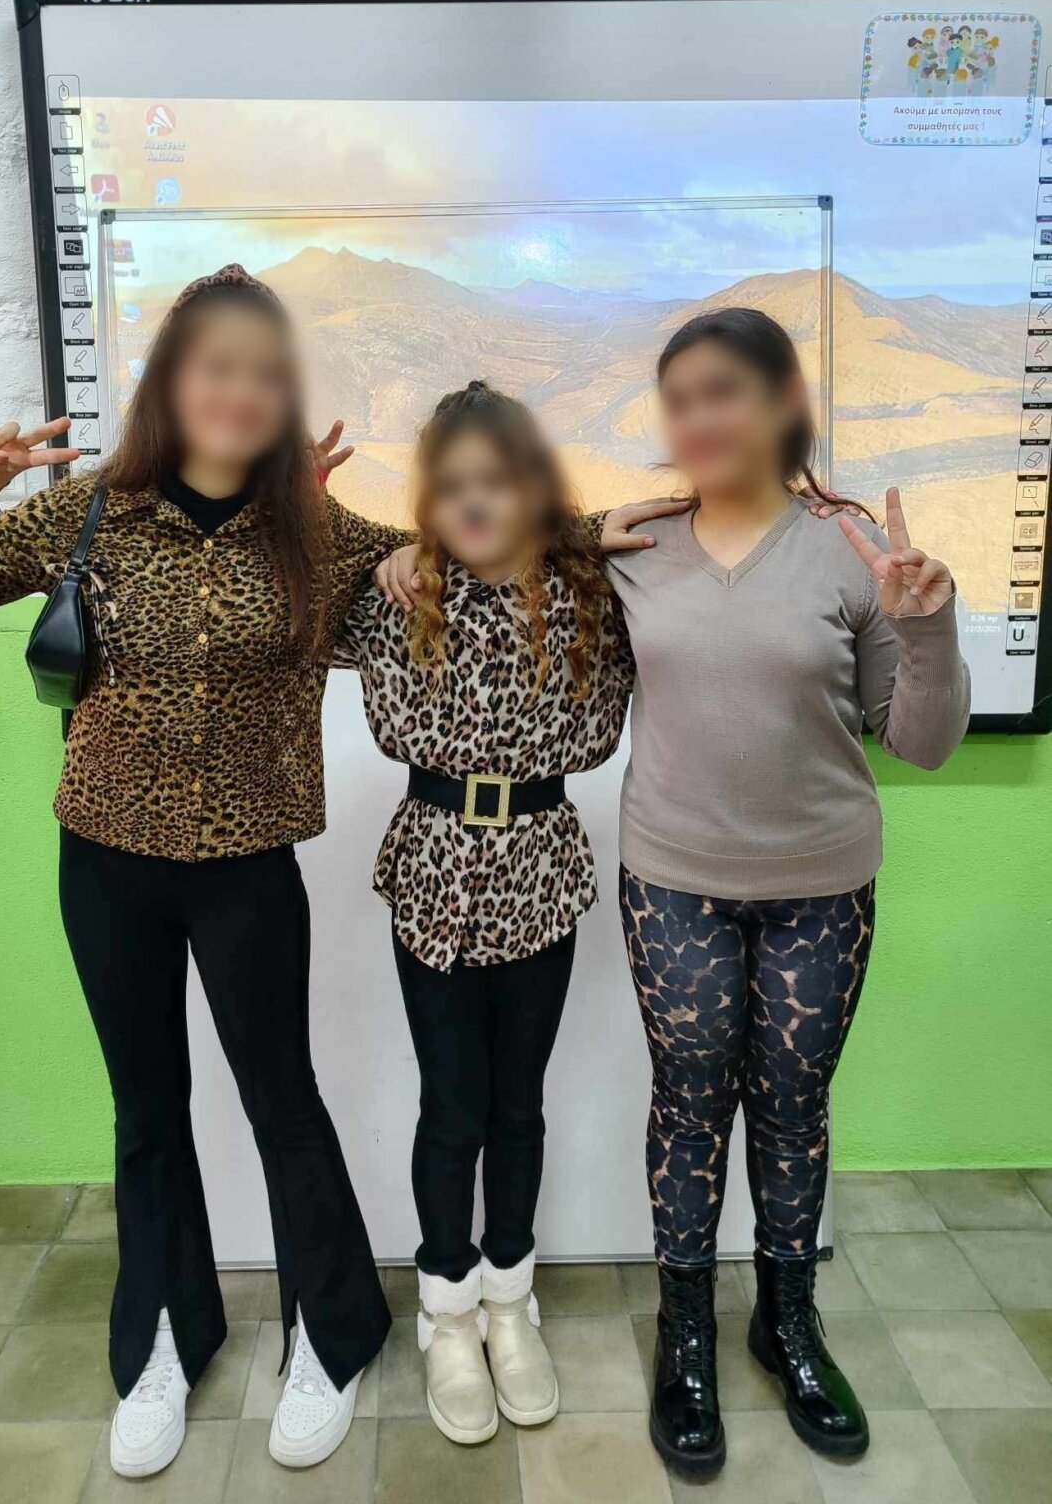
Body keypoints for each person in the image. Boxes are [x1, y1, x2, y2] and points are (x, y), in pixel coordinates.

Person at [0, 264, 411, 1479]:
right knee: (148, 1110)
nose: (239, 391)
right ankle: (165, 1333)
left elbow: (467, 554)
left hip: (249, 866)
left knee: (282, 1100)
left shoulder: (316, 532)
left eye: (264, 372)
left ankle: (330, 1334)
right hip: (105, 859)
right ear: (170, 381)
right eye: (216, 366)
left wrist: (592, 529)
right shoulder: (91, 515)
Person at [607, 308, 969, 1476]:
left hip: (821, 885)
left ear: (780, 402)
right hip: (674, 879)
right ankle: (686, 1339)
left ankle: (787, 1321)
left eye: (723, 391)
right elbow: (496, 549)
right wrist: (561, 532)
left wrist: (929, 627)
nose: (698, 418)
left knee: (794, 1106)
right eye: (679, 399)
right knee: (688, 1104)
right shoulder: (635, 542)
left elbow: (922, 742)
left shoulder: (850, 546)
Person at [338, 382, 664, 1445]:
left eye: (499, 482)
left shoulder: (587, 594)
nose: (476, 503)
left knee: (518, 1101)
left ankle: (511, 1301)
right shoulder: (397, 593)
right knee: (453, 1104)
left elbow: (606, 708)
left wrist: (576, 537)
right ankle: (447, 1309)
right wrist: (396, 559)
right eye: (454, 487)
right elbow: (329, 618)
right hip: (434, 864)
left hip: (541, 862)